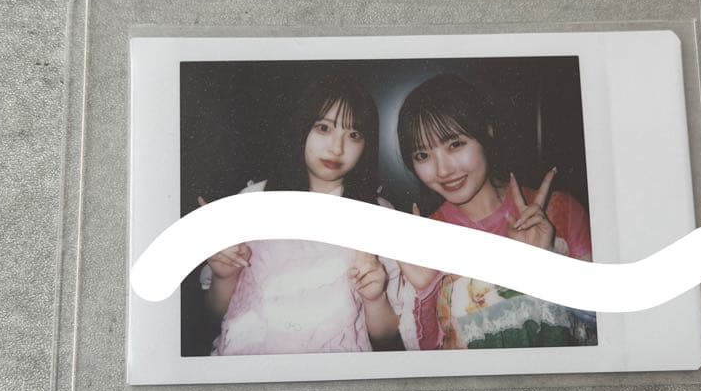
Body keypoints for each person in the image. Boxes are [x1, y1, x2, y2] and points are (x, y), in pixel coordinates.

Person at [394, 73, 597, 350]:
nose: (443, 170)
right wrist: (426, 290)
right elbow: (428, 355)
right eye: (423, 155)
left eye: (455, 144)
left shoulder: (557, 211)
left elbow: (605, 323)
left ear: (487, 131)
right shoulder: (423, 242)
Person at [201, 76, 402, 354]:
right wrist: (224, 277)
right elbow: (216, 314)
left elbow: (386, 334)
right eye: (324, 128)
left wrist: (375, 297)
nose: (336, 148)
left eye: (354, 135)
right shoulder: (253, 201)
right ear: (301, 128)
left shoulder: (378, 215)